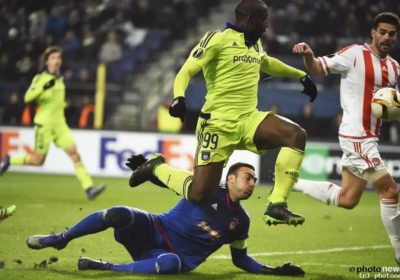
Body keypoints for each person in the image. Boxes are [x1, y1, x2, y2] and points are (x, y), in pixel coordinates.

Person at [130, 0, 318, 226]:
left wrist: (301, 75)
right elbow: (187, 69)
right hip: (217, 125)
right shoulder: (217, 38)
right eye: (264, 20)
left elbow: (266, 63)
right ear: (250, 20)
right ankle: (156, 168)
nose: (267, 25)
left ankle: (277, 204)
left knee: (296, 135)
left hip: (248, 119)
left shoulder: (254, 44)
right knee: (200, 194)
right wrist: (179, 96)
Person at [26, 156, 305, 276]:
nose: (253, 183)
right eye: (247, 177)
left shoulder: (240, 221)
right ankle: (61, 238)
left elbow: (239, 258)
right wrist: (154, 172)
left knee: (169, 264)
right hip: (154, 227)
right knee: (117, 212)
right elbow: (173, 180)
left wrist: (273, 270)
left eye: (255, 179)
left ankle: (105, 267)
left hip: (170, 256)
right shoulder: (205, 188)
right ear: (230, 178)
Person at [292, 12, 400, 263]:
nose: (386, 37)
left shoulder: (395, 68)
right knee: (390, 192)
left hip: (369, 137)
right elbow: (318, 68)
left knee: (348, 199)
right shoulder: (354, 55)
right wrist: (309, 56)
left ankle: (295, 184)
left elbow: (390, 108)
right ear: (373, 33)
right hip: (356, 136)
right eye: (382, 32)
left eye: (392, 33)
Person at [0, 46, 106, 200]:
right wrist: (43, 87)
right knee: (38, 160)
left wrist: (65, 106)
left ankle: (89, 188)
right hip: (45, 125)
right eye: (53, 58)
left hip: (60, 126)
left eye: (58, 58)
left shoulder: (60, 79)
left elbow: (57, 102)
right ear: (47, 62)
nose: (56, 61)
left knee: (75, 154)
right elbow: (27, 98)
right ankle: (10, 159)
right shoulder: (40, 79)